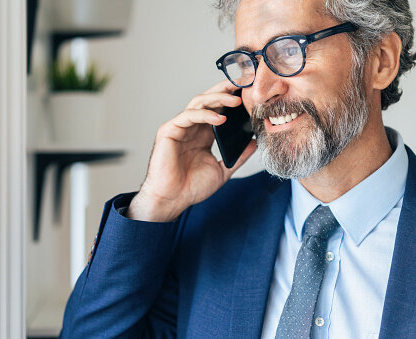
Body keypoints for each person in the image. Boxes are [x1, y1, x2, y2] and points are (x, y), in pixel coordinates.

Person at [60, 0, 416, 337]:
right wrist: (154, 205)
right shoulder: (206, 223)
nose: (260, 91)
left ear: (380, 61)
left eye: (290, 49)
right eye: (247, 61)